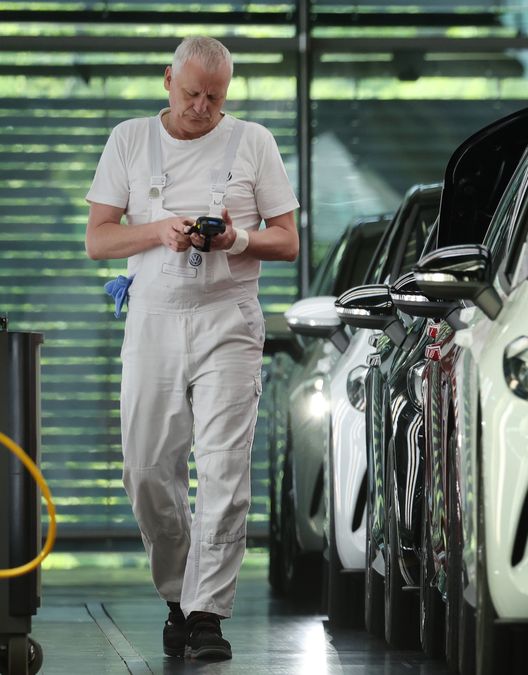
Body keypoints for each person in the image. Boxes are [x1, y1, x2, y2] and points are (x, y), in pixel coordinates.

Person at [84, 36, 299, 661]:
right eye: (191, 94)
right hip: (152, 319)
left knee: (225, 470)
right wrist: (159, 231)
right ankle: (178, 593)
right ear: (167, 81)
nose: (202, 107)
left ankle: (207, 614)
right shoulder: (130, 139)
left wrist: (233, 240)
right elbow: (98, 239)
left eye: (215, 97)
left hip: (227, 321)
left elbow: (285, 241)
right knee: (147, 468)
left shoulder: (252, 142)